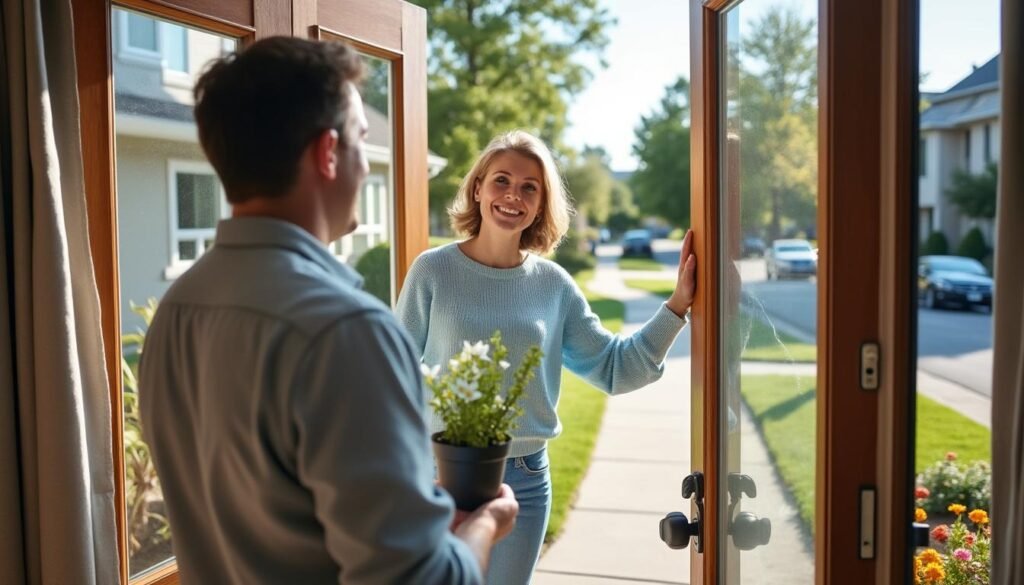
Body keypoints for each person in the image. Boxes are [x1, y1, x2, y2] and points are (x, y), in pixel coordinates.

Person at [138, 37, 517, 585]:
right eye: (363, 140)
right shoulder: (346, 330)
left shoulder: (177, 308)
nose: (367, 164)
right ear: (329, 152)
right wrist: (484, 525)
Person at [395, 130, 697, 584]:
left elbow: (616, 369)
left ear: (539, 204)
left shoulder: (553, 286)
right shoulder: (432, 271)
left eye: (529, 187)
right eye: (501, 180)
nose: (513, 195)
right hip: (441, 476)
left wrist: (675, 307)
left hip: (524, 481)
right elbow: (394, 377)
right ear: (477, 188)